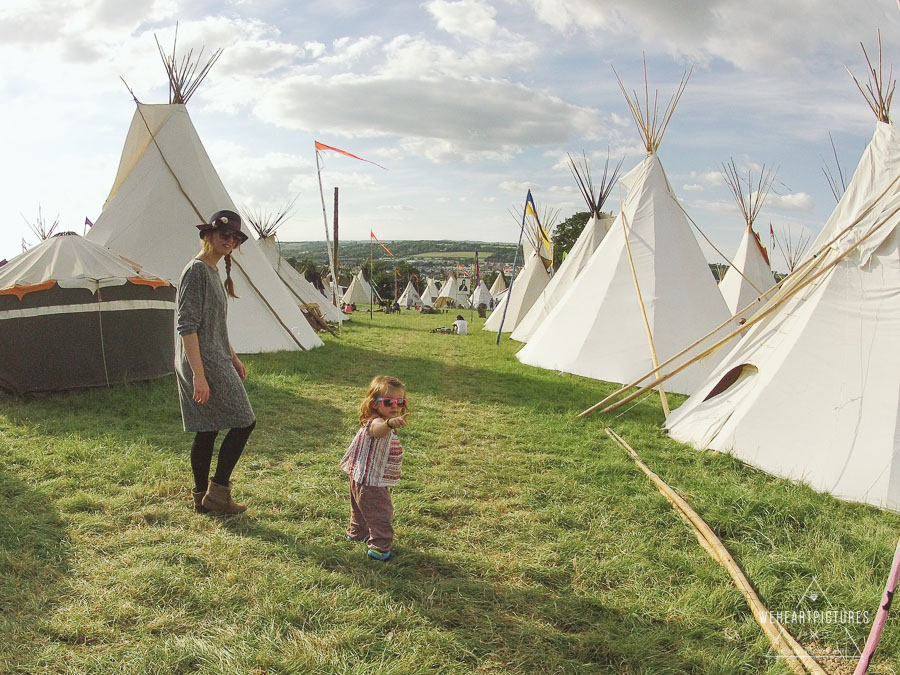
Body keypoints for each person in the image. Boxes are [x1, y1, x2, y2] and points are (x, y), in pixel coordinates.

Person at [176, 209, 256, 516]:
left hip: (216, 356)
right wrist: (199, 374)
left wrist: (233, 356)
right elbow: (187, 326)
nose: (230, 241)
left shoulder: (211, 271)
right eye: (225, 235)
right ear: (207, 235)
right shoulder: (196, 271)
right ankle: (218, 492)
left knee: (208, 428)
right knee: (245, 420)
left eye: (235, 238)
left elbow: (214, 325)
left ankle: (203, 499)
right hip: (203, 360)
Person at [340, 375, 408, 561]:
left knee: (361, 510)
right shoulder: (377, 423)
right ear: (375, 404)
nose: (395, 406)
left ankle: (356, 534)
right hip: (370, 481)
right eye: (388, 401)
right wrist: (389, 423)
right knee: (380, 513)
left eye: (400, 402)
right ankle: (379, 548)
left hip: (359, 476)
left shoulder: (376, 419)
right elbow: (378, 429)